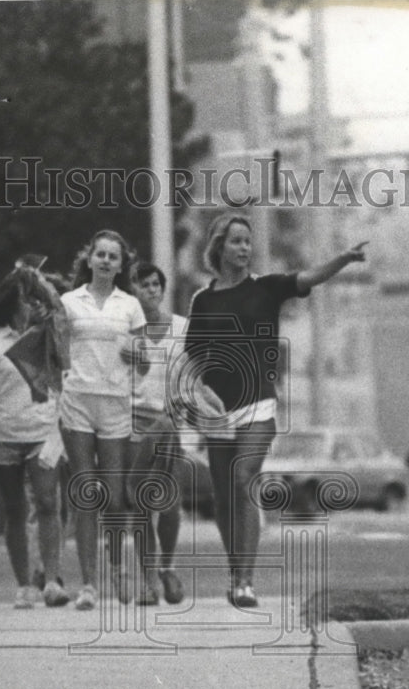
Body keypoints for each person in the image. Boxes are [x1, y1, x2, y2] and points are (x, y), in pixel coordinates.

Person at [183, 212, 367, 608]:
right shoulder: (204, 299)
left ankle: (246, 581)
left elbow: (308, 278)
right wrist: (197, 396)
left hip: (258, 402)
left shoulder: (267, 289)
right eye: (236, 241)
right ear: (219, 247)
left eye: (248, 241)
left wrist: (342, 259)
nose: (244, 247)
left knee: (244, 477)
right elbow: (193, 359)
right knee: (223, 497)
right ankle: (236, 572)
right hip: (218, 408)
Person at [58, 230, 149, 610]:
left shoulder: (129, 305)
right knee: (85, 494)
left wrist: (134, 356)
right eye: (101, 254)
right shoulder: (68, 301)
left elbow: (144, 362)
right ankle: (89, 585)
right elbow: (58, 350)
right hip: (77, 400)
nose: (107, 261)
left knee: (113, 496)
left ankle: (117, 568)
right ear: (89, 258)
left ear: (121, 264)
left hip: (115, 403)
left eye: (114, 256)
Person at [0, 262, 69, 609]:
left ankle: (53, 579)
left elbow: (60, 309)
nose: (33, 306)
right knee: (15, 509)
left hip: (43, 430)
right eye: (27, 299)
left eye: (36, 299)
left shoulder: (48, 336)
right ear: (12, 301)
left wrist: (41, 284)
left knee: (48, 502)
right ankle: (24, 583)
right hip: (4, 435)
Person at [126, 262, 187, 605]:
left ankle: (168, 566)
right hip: (134, 424)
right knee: (139, 504)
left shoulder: (182, 329)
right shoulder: (127, 332)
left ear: (162, 290)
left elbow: (192, 379)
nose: (150, 290)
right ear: (132, 290)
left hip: (170, 423)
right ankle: (148, 579)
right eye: (143, 284)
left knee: (171, 503)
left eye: (155, 284)